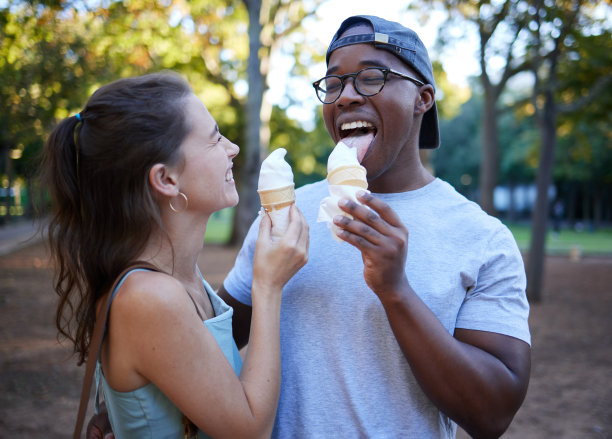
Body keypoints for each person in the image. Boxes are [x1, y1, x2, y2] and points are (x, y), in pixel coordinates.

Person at [219, 15, 531, 438]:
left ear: (422, 98)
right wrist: (137, 401)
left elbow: (492, 413)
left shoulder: (482, 238)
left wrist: (395, 289)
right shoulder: (286, 214)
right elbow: (213, 346)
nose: (345, 96)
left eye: (371, 78)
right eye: (333, 84)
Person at [42, 71, 309, 438]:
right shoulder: (152, 296)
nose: (232, 148)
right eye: (215, 139)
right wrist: (268, 286)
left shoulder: (181, 276)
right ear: (167, 180)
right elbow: (251, 432)